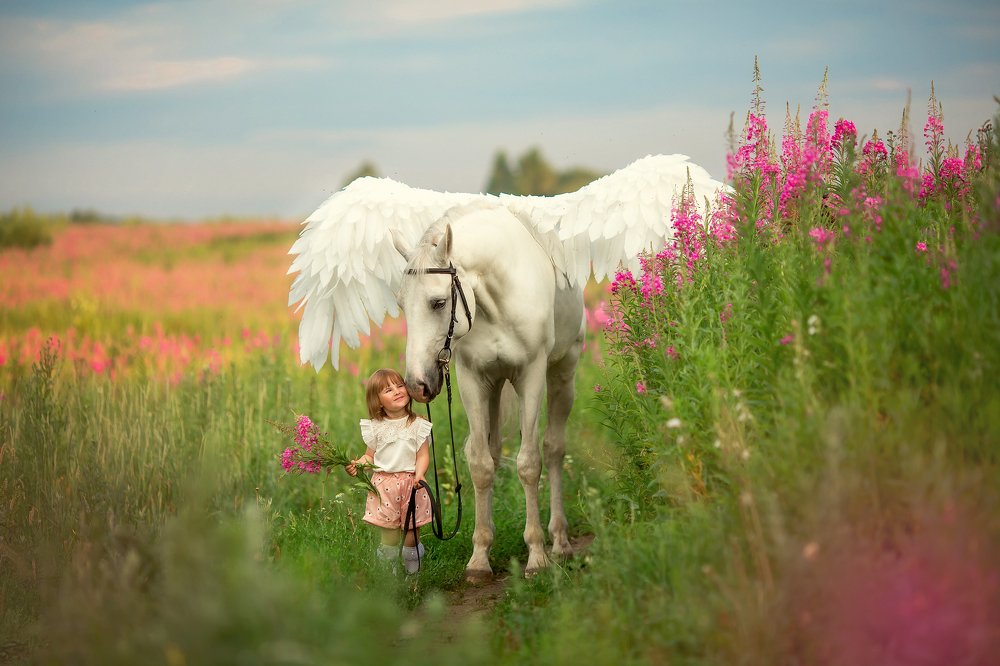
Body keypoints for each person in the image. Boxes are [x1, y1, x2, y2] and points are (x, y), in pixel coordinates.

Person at [346, 368, 433, 574]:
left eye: (400, 385)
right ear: (377, 400)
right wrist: (357, 464)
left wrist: (420, 473)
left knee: (412, 532)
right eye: (388, 389)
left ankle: (413, 574)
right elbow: (370, 456)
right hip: (384, 486)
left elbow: (422, 455)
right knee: (390, 534)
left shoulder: (417, 424)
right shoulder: (376, 427)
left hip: (412, 484)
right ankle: (389, 575)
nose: (396, 391)